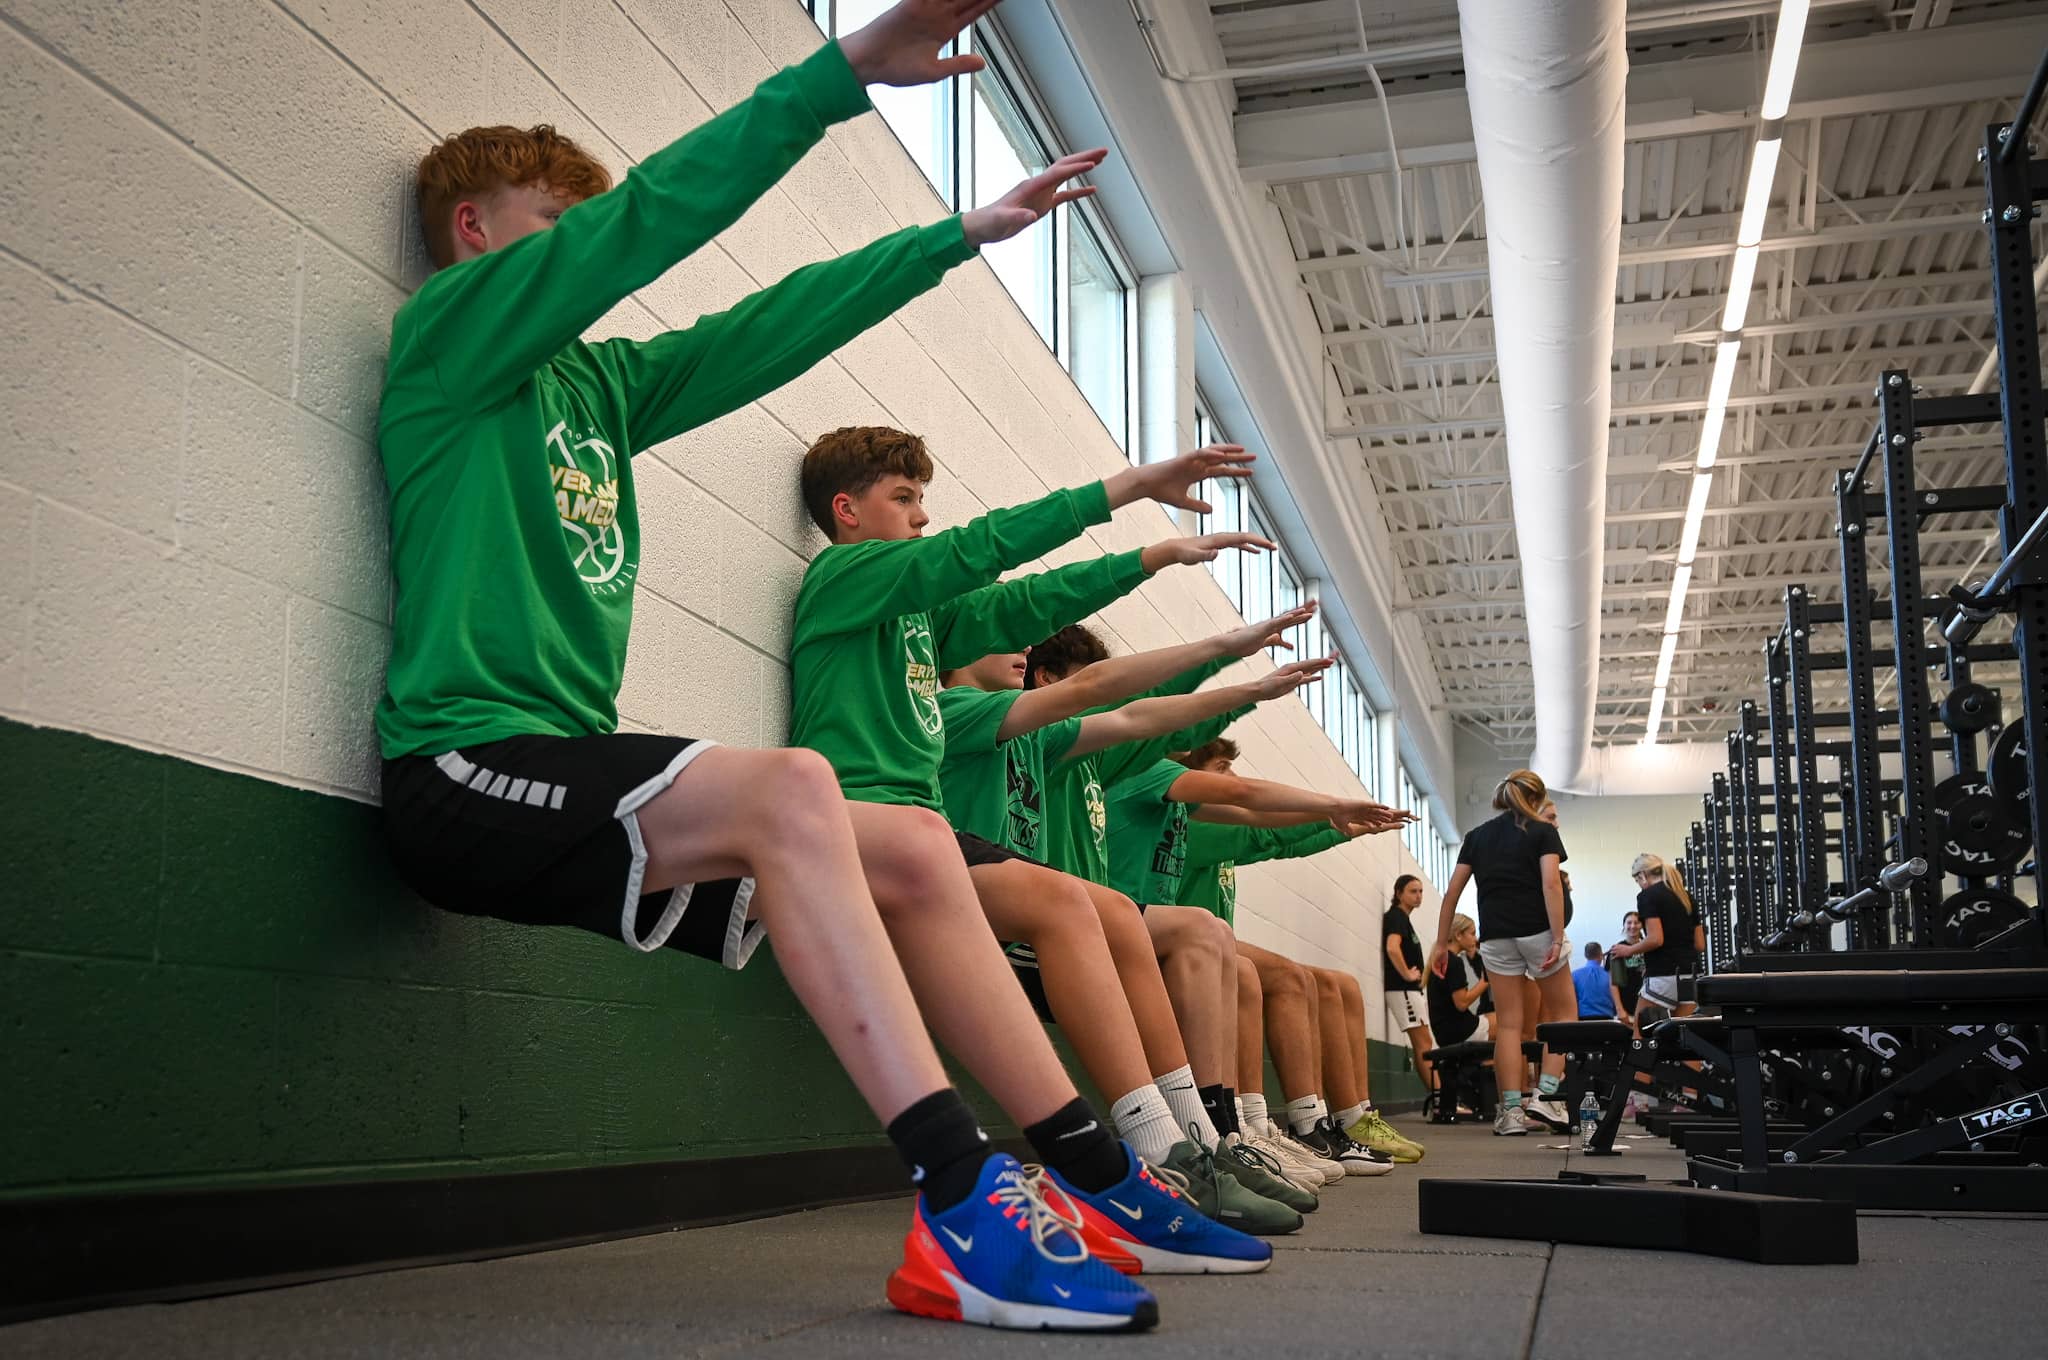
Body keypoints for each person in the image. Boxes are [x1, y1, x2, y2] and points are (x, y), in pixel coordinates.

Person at [375, 0, 1158, 1331]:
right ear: (475, 234)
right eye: (551, 224)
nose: (582, 251)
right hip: (461, 770)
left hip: (564, 771)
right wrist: (840, 71)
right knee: (794, 786)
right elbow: (651, 222)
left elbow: (765, 333)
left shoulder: (598, 392)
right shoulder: (453, 340)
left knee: (909, 848)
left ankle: (1101, 1176)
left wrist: (954, 239)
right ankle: (959, 1198)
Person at [792, 420, 1295, 1272]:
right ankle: (1135, 1163)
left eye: (924, 502)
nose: (921, 517)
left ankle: (1180, 1142)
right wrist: (1126, 489)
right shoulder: (844, 577)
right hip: (859, 828)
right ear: (845, 511)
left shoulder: (917, 623)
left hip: (921, 837)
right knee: (1065, 899)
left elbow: (1024, 605)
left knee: (1108, 910)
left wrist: (1154, 569)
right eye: (903, 499)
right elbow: (981, 555)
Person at [935, 615, 1331, 1225]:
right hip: (980, 920)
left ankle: (1206, 1137)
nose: (1019, 646)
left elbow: (1129, 716)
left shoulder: (1036, 741)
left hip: (1029, 913)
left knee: (1193, 929)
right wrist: (1226, 656)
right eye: (1004, 632)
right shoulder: (960, 709)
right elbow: (1114, 705)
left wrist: (1251, 697)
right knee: (1136, 916)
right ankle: (1182, 1139)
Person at [1173, 738, 1424, 1167]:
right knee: (1288, 976)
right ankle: (1296, 1123)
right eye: (1222, 768)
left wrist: (1343, 829)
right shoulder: (1188, 820)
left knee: (1339, 983)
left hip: (1210, 939)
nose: (1233, 778)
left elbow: (1280, 842)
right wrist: (1334, 815)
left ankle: (1351, 1116)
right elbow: (1267, 833)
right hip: (1186, 942)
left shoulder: (1209, 824)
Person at [1427, 770, 1575, 1136]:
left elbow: (1451, 894)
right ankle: (1548, 1096)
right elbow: (1551, 883)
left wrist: (1441, 943)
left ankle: (1510, 1114)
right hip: (1538, 932)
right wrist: (1557, 937)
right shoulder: (1543, 831)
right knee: (1564, 1014)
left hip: (1496, 939)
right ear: (1536, 799)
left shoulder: (1477, 837)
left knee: (1508, 1024)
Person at [1610, 854, 1702, 1026]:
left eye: (1637, 880)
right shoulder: (1686, 897)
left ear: (1642, 875)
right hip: (1691, 974)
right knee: (1686, 1039)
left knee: (1640, 1035)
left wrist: (1628, 950)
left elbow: (1656, 939)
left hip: (1663, 974)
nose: (1639, 885)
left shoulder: (1648, 896)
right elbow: (1700, 944)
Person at [1425, 913, 1492, 1116]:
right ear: (1458, 935)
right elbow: (1461, 1003)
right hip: (1458, 1029)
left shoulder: (1441, 960)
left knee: (1501, 1025)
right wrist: (1485, 982)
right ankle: (1517, 1095)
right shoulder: (1453, 962)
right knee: (1511, 1027)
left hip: (1444, 1030)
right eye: (1471, 933)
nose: (1475, 938)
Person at [1383, 874, 1436, 1107]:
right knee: (1423, 1045)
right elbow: (1392, 948)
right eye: (1413, 891)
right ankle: (1441, 1099)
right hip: (1402, 990)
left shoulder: (1404, 918)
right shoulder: (1396, 917)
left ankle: (1441, 1097)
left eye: (1421, 891)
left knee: (1426, 1044)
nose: (1418, 896)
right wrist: (1407, 974)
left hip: (1411, 991)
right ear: (1398, 893)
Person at [1608, 911, 1645, 1015]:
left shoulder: (1648, 948)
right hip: (1625, 1007)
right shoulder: (1616, 949)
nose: (1632, 926)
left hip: (1646, 1005)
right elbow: (1613, 983)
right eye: (1629, 923)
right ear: (1624, 925)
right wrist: (1619, 1009)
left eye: (1636, 922)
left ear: (1642, 925)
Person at [1572, 942, 1616, 1019]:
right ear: (1601, 955)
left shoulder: (1574, 975)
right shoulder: (1610, 975)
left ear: (1585, 955)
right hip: (1607, 1020)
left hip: (1583, 1020)